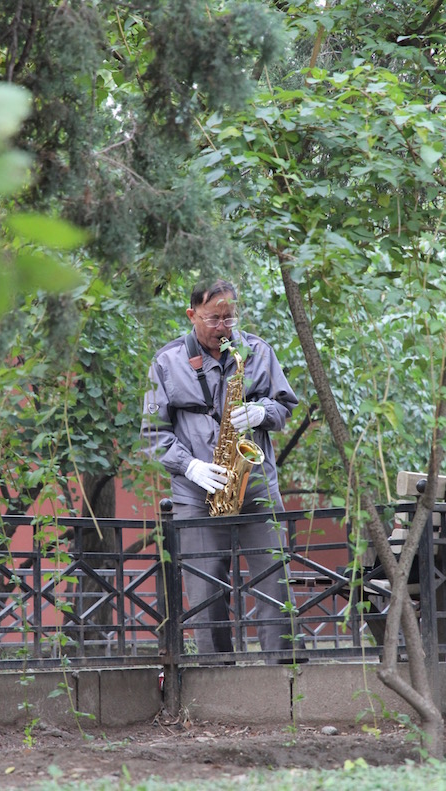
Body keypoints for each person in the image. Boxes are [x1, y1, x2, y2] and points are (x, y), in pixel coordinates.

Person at [141, 278, 300, 661]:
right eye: (214, 319)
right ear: (191, 314)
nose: (223, 328)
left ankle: (287, 670)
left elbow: (285, 407)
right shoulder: (166, 361)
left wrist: (263, 412)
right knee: (204, 586)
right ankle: (216, 673)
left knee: (274, 582)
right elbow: (152, 434)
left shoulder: (257, 350)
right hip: (197, 490)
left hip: (256, 484)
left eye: (230, 317)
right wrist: (190, 466)